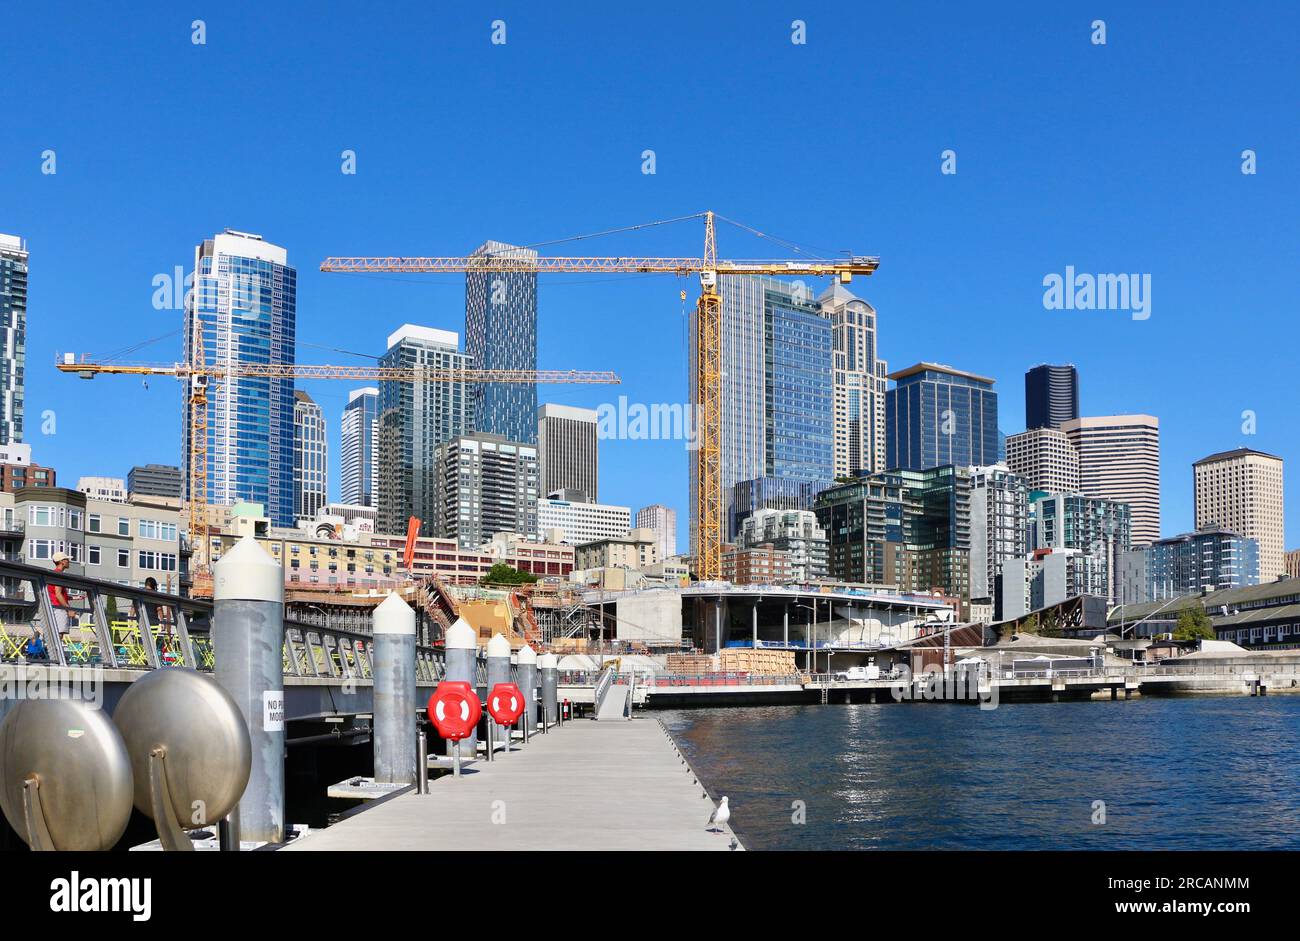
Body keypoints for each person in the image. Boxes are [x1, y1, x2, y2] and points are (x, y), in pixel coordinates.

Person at [36, 551, 75, 658]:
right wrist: (69, 609)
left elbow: (56, 593)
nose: (69, 561)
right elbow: (58, 594)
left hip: (54, 606)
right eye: (67, 559)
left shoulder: (54, 573)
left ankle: (54, 656)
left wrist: (73, 597)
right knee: (59, 634)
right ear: (62, 562)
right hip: (59, 608)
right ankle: (56, 657)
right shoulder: (59, 574)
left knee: (56, 633)